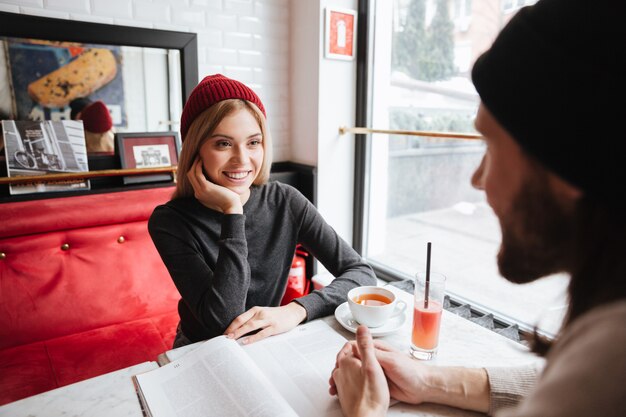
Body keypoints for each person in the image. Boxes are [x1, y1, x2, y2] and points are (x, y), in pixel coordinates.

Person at [330, 0, 626, 416]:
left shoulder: (611, 358)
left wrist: (366, 408)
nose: (477, 179)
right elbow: (556, 377)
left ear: (567, 161)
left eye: (490, 147)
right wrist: (428, 379)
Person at [148, 74, 376, 348]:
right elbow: (224, 321)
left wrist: (296, 310)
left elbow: (361, 273)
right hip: (201, 348)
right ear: (196, 150)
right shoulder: (169, 221)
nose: (242, 159)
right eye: (223, 143)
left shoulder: (285, 201)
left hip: (265, 342)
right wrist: (233, 211)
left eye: (253, 142)